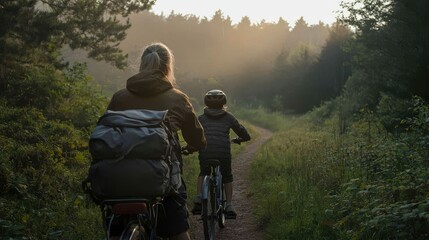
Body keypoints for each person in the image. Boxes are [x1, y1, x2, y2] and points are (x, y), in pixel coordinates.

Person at [107, 42, 206, 240]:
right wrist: (195, 145)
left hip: (119, 178)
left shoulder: (119, 97)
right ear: (168, 67)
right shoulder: (178, 98)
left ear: (141, 66)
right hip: (161, 178)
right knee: (179, 232)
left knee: (114, 229)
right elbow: (196, 137)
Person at [192, 89, 251, 217]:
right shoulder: (229, 117)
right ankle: (229, 206)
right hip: (223, 153)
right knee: (227, 176)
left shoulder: (201, 118)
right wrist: (241, 139)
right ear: (223, 103)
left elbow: (194, 135)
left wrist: (191, 147)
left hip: (205, 151)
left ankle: (198, 198)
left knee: (203, 172)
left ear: (206, 103)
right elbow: (243, 133)